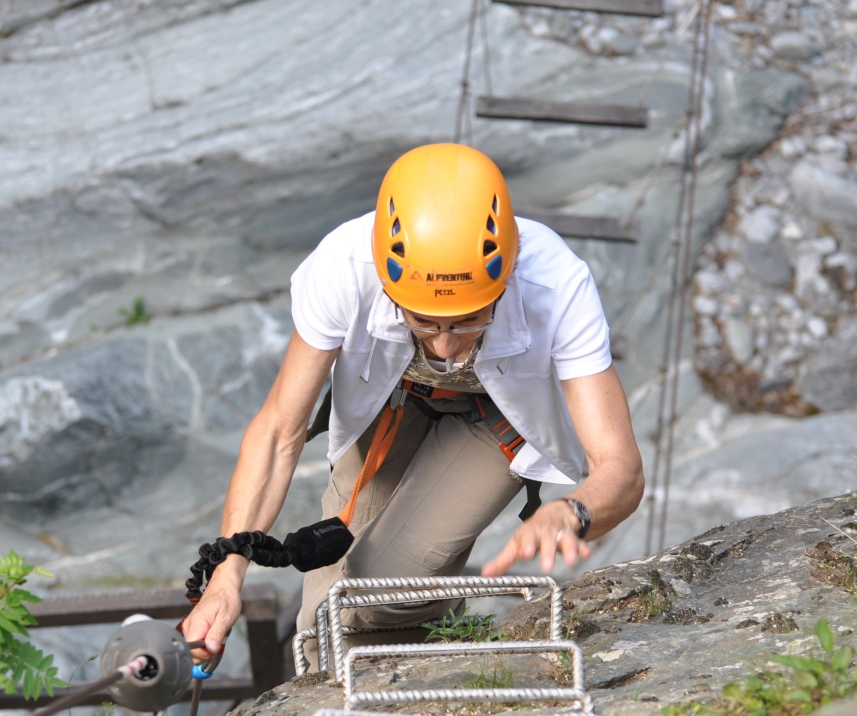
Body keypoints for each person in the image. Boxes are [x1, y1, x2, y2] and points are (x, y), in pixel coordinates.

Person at [182, 143, 644, 666]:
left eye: (469, 319)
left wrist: (572, 510)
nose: (445, 346)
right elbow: (277, 432)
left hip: (497, 421)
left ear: (507, 276)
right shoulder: (343, 267)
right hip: (392, 399)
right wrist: (226, 576)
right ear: (387, 282)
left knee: (382, 588)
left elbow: (622, 467)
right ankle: (339, 700)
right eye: (423, 321)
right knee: (324, 614)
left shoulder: (556, 284)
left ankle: (431, 659)